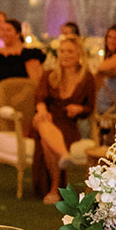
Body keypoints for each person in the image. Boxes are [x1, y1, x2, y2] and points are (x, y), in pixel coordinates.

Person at [33, 36, 96, 201]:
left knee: (46, 142)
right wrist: (41, 110)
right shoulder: (49, 75)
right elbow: (39, 98)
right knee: (43, 122)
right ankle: (63, 157)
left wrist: (79, 108)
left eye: (70, 52)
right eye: (62, 51)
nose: (65, 55)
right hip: (46, 117)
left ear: (78, 55)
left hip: (67, 124)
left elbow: (90, 108)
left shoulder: (87, 78)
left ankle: (54, 189)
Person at [0, 14, 44, 83]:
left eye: (8, 30)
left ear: (18, 34)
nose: (4, 33)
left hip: (22, 93)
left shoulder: (28, 55)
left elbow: (35, 82)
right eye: (2, 31)